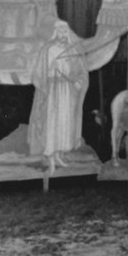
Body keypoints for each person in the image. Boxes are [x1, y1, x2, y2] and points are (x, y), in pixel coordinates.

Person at [28, 19, 89, 172]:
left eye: (65, 31)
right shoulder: (49, 49)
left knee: (64, 121)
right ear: (56, 32)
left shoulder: (71, 49)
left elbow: (79, 69)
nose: (63, 34)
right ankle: (50, 157)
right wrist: (51, 69)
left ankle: (58, 155)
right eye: (60, 31)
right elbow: (40, 73)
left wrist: (78, 81)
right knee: (53, 122)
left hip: (67, 91)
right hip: (53, 91)